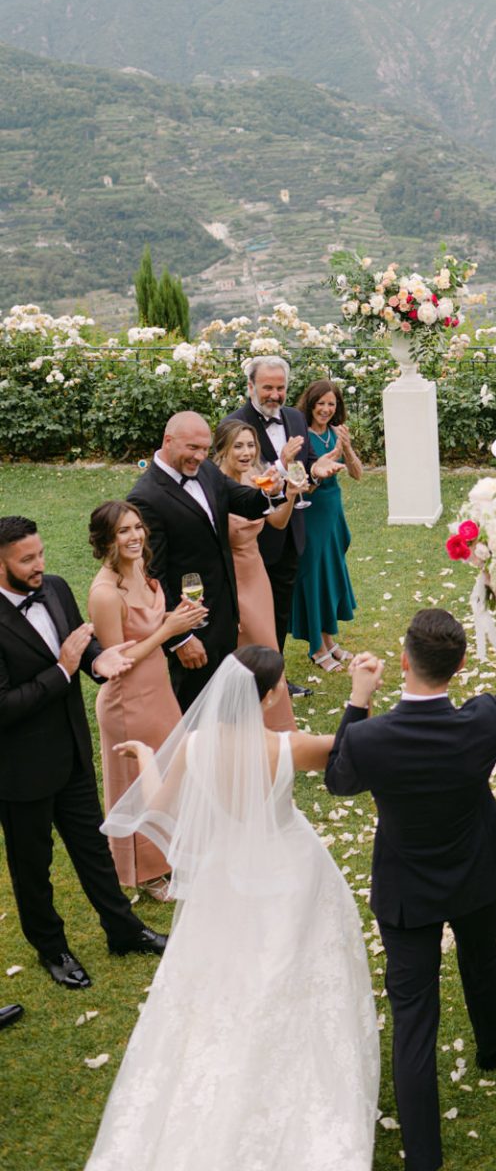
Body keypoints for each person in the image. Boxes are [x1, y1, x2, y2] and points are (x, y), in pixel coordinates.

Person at [84, 645, 379, 1171]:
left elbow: (157, 808)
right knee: (295, 977)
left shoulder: (195, 745)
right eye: (281, 686)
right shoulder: (288, 749)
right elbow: (354, 753)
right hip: (290, 878)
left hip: (224, 880)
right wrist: (361, 693)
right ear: (265, 698)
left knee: (225, 983)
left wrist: (150, 759)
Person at [325, 577, 496, 1171]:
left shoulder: (370, 738)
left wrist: (357, 700)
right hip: (474, 871)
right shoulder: (483, 722)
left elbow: (339, 781)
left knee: (413, 1018)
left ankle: (424, 1157)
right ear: (462, 665)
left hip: (407, 886)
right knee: (481, 959)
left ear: (402, 661)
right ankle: (491, 1042)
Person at [0, 516, 167, 990]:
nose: (40, 566)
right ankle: (52, 948)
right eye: (27, 559)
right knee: (33, 866)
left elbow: (82, 638)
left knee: (93, 848)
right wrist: (63, 667)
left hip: (70, 749)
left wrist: (96, 659)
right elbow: (4, 706)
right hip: (19, 768)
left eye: (41, 553)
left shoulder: (53, 588)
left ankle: (124, 929)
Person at [87, 500, 205, 901]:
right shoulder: (105, 593)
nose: (134, 536)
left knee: (168, 774)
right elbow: (113, 661)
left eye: (137, 527)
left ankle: (168, 854)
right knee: (136, 782)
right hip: (127, 701)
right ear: (106, 539)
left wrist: (180, 619)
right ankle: (146, 872)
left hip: (158, 690)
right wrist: (168, 630)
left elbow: (153, 624)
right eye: (123, 531)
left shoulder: (139, 567)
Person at [128, 411, 271, 709]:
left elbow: (245, 501)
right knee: (194, 709)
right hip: (191, 623)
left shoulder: (205, 470)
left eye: (205, 448)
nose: (200, 456)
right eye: (192, 448)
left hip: (224, 612)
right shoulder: (145, 497)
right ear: (168, 441)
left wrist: (274, 490)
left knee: (224, 707)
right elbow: (152, 576)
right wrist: (180, 638)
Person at [224, 356, 346, 655]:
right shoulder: (233, 425)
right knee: (253, 613)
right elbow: (238, 482)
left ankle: (276, 673)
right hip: (254, 535)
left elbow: (301, 467)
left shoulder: (293, 417)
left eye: (281, 388)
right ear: (250, 386)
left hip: (294, 528)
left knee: (281, 608)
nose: (275, 395)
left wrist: (315, 469)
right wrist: (281, 462)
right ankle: (255, 673)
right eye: (267, 387)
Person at [212, 418, 299, 729]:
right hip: (231, 579)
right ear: (222, 449)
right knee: (245, 654)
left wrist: (288, 495)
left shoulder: (255, 477)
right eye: (238, 446)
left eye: (251, 445)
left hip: (256, 573)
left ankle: (274, 728)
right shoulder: (215, 489)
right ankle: (242, 727)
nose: (247, 452)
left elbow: (277, 522)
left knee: (268, 647)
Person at [290, 379, 363, 672]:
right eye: (320, 403)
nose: (325, 409)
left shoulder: (336, 433)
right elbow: (300, 481)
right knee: (313, 576)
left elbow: (357, 473)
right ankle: (316, 647)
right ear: (310, 404)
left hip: (333, 513)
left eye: (331, 404)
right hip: (310, 513)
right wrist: (322, 467)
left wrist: (345, 446)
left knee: (331, 573)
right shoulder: (301, 436)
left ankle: (329, 639)